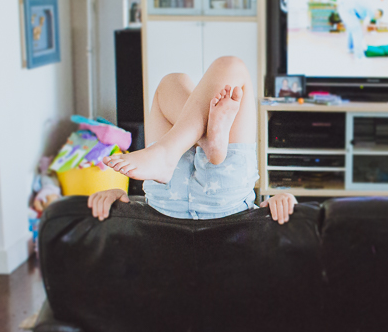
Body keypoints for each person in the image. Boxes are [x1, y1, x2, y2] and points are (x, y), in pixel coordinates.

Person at [89, 56, 297, 224]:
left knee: (172, 81)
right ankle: (204, 142)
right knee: (230, 66)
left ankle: (181, 147)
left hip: (166, 203)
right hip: (224, 203)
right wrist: (282, 200)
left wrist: (119, 200)